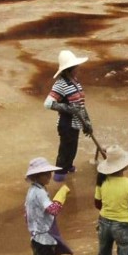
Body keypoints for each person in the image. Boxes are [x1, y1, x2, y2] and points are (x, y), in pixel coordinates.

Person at [24, 157, 73, 255]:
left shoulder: (32, 191)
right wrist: (62, 195)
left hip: (36, 239)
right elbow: (54, 210)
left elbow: (26, 216)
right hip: (45, 241)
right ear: (37, 176)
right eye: (46, 174)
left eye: (49, 173)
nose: (49, 176)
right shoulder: (39, 193)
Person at [44, 49, 94, 183]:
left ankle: (68, 166)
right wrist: (68, 108)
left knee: (73, 147)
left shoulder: (75, 82)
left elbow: (80, 106)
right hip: (66, 124)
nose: (78, 68)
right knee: (65, 148)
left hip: (76, 123)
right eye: (75, 67)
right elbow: (48, 103)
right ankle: (60, 173)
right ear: (70, 69)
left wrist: (87, 123)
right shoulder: (60, 84)